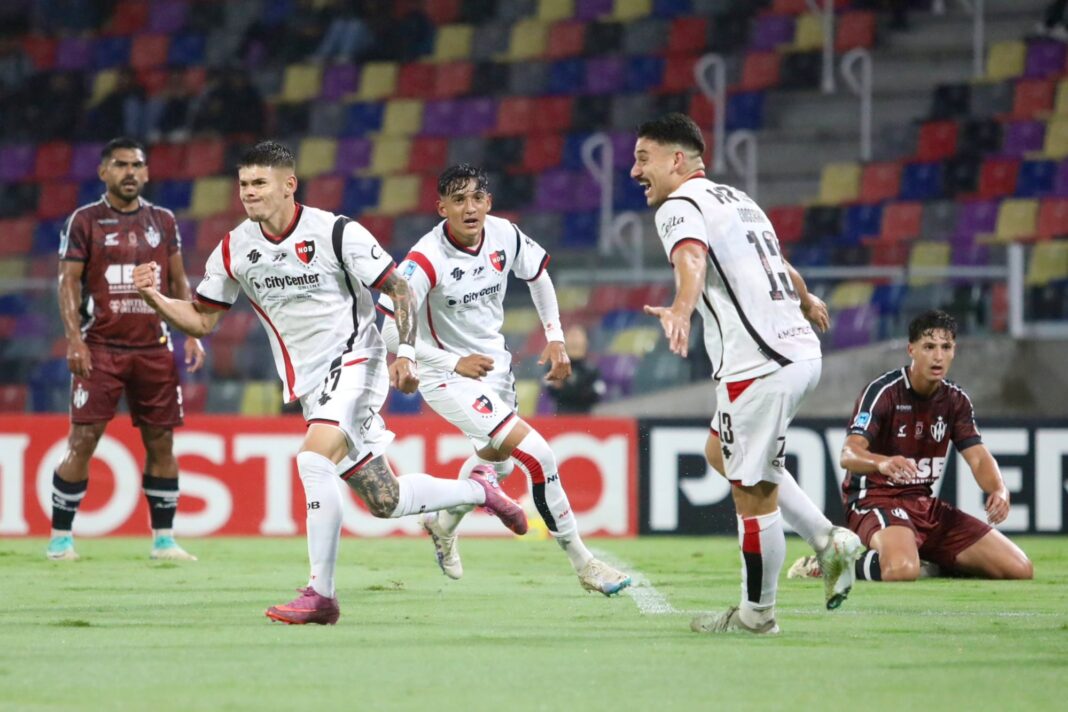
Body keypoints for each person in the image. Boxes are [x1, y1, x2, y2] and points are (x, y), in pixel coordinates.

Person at [132, 142, 527, 626]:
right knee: (386, 500)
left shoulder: (336, 232)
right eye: (244, 185)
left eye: (259, 183)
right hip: (312, 384)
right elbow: (201, 320)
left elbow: (397, 287)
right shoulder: (235, 247)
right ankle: (478, 492)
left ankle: (321, 595)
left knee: (313, 459)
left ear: (288, 184)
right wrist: (152, 295)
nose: (249, 193)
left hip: (358, 361)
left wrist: (405, 351)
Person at [632, 113, 862, 635]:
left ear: (676, 160)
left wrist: (682, 309)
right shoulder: (738, 199)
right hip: (798, 353)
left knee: (751, 492)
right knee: (721, 452)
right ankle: (829, 540)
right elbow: (776, 262)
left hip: (757, 365)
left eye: (643, 158)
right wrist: (805, 298)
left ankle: (757, 617)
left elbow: (690, 259)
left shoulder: (679, 205)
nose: (634, 171)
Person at [377, 163, 632, 596]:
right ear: (442, 208)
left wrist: (555, 337)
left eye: (477, 197)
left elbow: (539, 276)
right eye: (458, 200)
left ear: (489, 202)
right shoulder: (425, 259)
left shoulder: (505, 235)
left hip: (494, 368)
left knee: (496, 462)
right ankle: (585, 564)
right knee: (539, 455)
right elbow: (387, 331)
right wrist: (452, 361)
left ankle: (441, 524)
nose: (469, 208)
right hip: (445, 376)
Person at [788, 310, 1033, 584]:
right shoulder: (884, 392)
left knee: (1019, 568)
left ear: (954, 351)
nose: (938, 356)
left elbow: (977, 457)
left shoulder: (956, 400)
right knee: (901, 570)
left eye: (945, 347)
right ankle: (835, 560)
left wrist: (997, 488)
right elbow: (849, 454)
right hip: (876, 501)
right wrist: (881, 462)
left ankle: (923, 557)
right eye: (929, 347)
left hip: (924, 505)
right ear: (911, 350)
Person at [52, 137, 205, 562]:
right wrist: (75, 340)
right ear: (104, 172)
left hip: (154, 349)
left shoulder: (163, 220)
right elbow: (67, 283)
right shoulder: (84, 220)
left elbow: (179, 282)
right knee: (83, 439)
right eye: (120, 165)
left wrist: (191, 332)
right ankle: (61, 538)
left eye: (137, 165)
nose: (130, 172)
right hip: (100, 346)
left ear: (148, 172)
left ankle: (164, 540)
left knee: (161, 442)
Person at [545, 324, 605, 414]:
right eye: (571, 335)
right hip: (561, 418)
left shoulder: (593, 370)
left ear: (586, 341)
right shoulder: (554, 367)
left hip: (585, 419)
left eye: (577, 335)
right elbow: (551, 392)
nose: (574, 339)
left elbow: (596, 395)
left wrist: (565, 389)